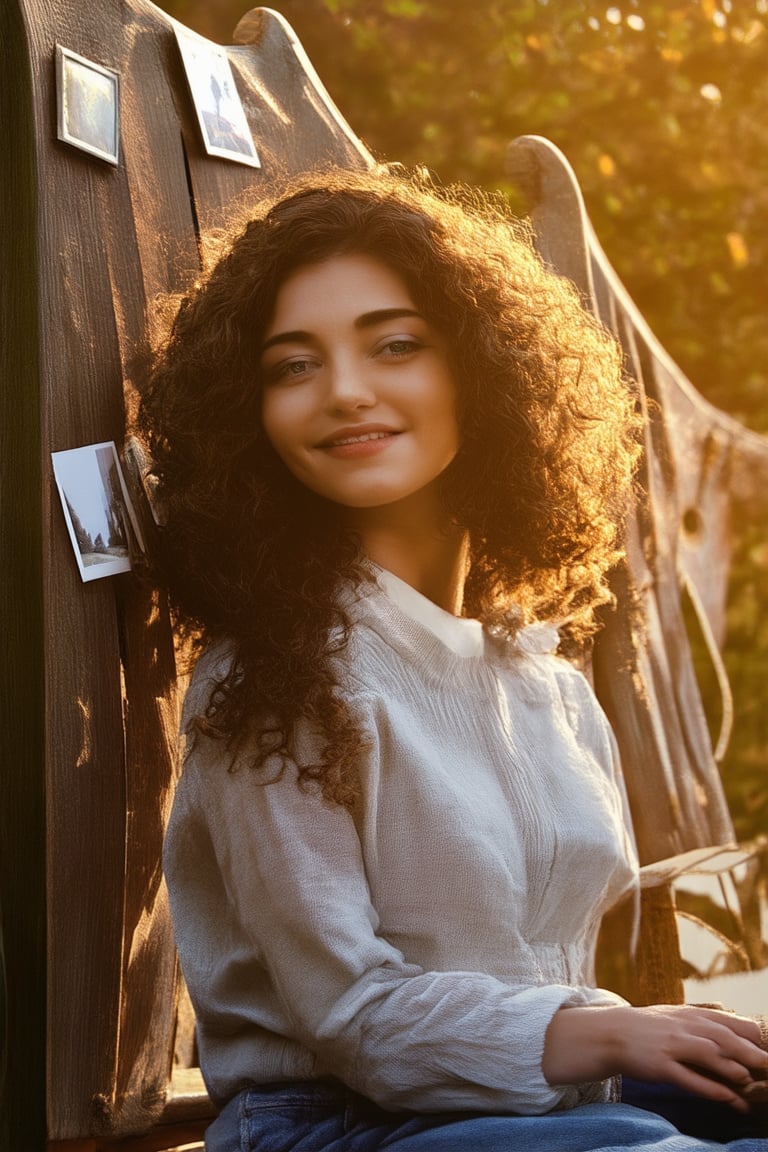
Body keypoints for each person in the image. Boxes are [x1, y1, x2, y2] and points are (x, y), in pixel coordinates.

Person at [137, 166, 767, 1151]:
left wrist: (697, 1040)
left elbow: (561, 974)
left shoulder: (550, 680)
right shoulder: (272, 680)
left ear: (484, 370)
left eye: (395, 345)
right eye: (292, 366)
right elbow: (354, 1021)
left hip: (560, 1114)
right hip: (340, 1127)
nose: (346, 391)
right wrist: (608, 1033)